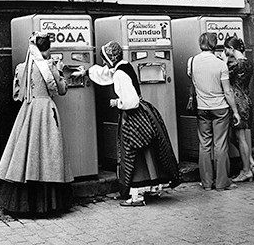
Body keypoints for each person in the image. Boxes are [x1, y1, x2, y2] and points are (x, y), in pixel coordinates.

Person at [74, 41, 181, 206]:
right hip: (145, 113)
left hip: (133, 116)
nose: (104, 62)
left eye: (105, 59)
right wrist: (87, 71)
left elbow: (130, 101)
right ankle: (151, 188)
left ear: (110, 58)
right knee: (147, 153)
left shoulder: (119, 74)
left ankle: (136, 196)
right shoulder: (125, 66)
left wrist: (116, 103)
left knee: (133, 153)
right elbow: (107, 73)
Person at [0, 32, 73, 216]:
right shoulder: (50, 66)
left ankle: (22, 204)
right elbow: (61, 90)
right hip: (46, 110)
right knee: (49, 155)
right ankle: (49, 205)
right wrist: (61, 71)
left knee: (25, 153)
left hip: (28, 110)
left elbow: (16, 94)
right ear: (46, 49)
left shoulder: (22, 67)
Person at [188, 32, 241, 191]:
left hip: (202, 108)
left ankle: (206, 183)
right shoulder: (220, 64)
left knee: (204, 145)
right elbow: (228, 92)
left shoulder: (192, 61)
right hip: (220, 109)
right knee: (220, 145)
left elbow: (193, 81)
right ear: (215, 44)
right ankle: (221, 183)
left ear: (200, 44)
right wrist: (236, 111)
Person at [223, 36, 254, 182]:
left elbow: (223, 74)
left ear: (232, 49)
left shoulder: (234, 65)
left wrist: (224, 60)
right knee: (238, 137)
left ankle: (246, 171)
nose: (225, 51)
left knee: (239, 138)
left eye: (226, 49)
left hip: (238, 102)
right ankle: (251, 165)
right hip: (247, 100)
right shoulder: (248, 63)